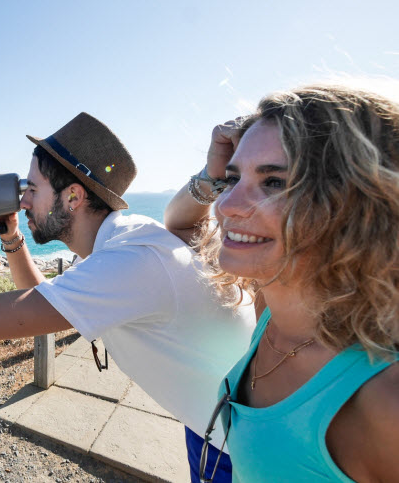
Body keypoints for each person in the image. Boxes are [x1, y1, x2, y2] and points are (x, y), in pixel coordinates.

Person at [0, 112, 254, 481]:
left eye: (32, 189)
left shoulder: (130, 264)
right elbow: (37, 300)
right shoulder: (126, 237)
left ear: (73, 197)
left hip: (240, 451)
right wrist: (13, 237)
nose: (23, 200)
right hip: (211, 422)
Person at [164, 84, 399, 482]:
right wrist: (210, 174)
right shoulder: (271, 310)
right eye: (232, 179)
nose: (225, 204)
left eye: (273, 182)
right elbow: (179, 223)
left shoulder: (382, 400)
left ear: (355, 204)